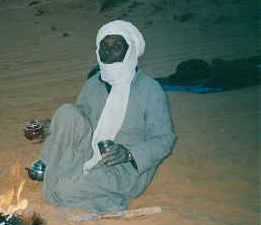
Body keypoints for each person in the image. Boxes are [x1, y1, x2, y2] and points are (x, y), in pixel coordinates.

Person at [36, 20, 175, 212]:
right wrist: (53, 126)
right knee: (66, 111)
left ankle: (108, 201)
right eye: (103, 45)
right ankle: (48, 164)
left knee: (61, 190)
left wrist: (128, 153)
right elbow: (80, 117)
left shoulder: (149, 89)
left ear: (130, 51)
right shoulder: (94, 83)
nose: (107, 52)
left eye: (116, 46)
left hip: (125, 171)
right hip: (92, 154)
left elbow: (164, 140)